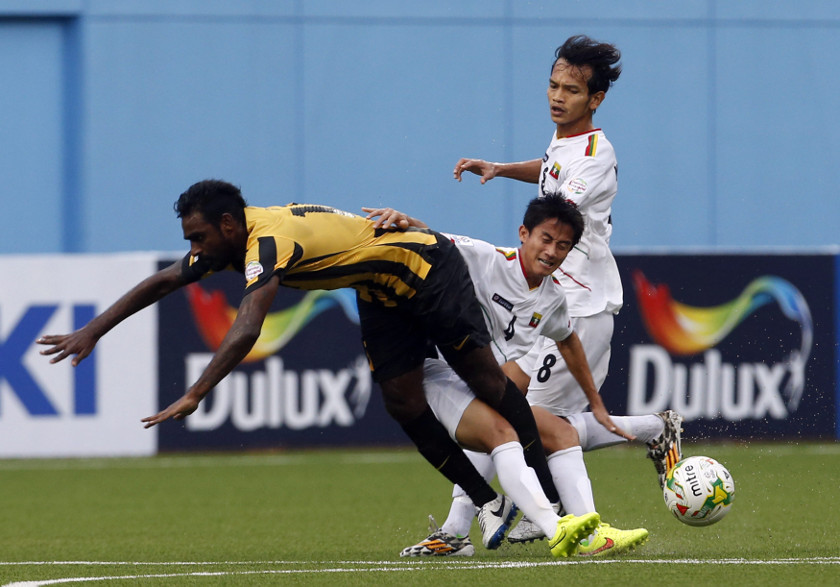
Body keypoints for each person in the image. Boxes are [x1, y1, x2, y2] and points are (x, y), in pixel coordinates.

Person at [36, 178, 596, 557]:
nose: (195, 250)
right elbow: (165, 279)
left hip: (424, 265)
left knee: (489, 383)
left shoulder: (265, 243)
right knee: (403, 402)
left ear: (230, 225)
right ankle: (489, 504)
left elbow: (249, 324)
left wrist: (197, 391)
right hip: (379, 287)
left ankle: (548, 508)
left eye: (199, 237)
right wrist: (93, 330)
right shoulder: (236, 236)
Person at [451, 35, 683, 549]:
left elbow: (560, 215)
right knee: (521, 413)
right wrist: (502, 168)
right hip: (554, 302)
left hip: (580, 305)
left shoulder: (598, 157)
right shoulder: (566, 141)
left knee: (516, 413)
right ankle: (651, 430)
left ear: (595, 99)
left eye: (572, 90)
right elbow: (550, 168)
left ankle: (541, 515)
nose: (557, 97)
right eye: (553, 86)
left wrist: (500, 261)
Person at [367, 195, 649, 558]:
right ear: (523, 234)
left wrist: (596, 404)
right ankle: (555, 525)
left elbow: (568, 341)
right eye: (545, 239)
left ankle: (464, 531)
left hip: (483, 383)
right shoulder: (487, 258)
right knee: (511, 432)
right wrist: (403, 218)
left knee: (542, 432)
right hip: (436, 370)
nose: (551, 251)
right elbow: (433, 239)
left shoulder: (551, 299)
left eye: (563, 246)